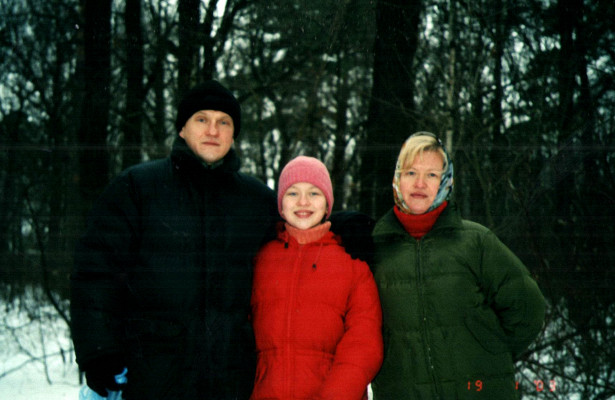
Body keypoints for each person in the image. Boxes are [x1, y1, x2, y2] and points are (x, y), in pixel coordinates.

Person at [70, 80, 280, 399]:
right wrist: (99, 351)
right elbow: (96, 273)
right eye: (201, 119)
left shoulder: (258, 200)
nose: (213, 130)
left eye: (224, 122)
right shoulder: (137, 188)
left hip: (230, 380)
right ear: (182, 128)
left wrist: (345, 230)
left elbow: (300, 245)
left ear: (234, 134)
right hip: (151, 376)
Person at [370, 132, 546, 399]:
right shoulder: (374, 248)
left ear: (446, 181)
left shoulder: (476, 241)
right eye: (411, 173)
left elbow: (528, 308)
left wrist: (490, 352)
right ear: (397, 179)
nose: (420, 183)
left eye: (432, 175)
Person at [250, 156, 383, 400]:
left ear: (327, 204)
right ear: (280, 205)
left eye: (314, 193)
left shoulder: (352, 262)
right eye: (292, 193)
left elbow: (364, 342)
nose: (303, 202)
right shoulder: (261, 259)